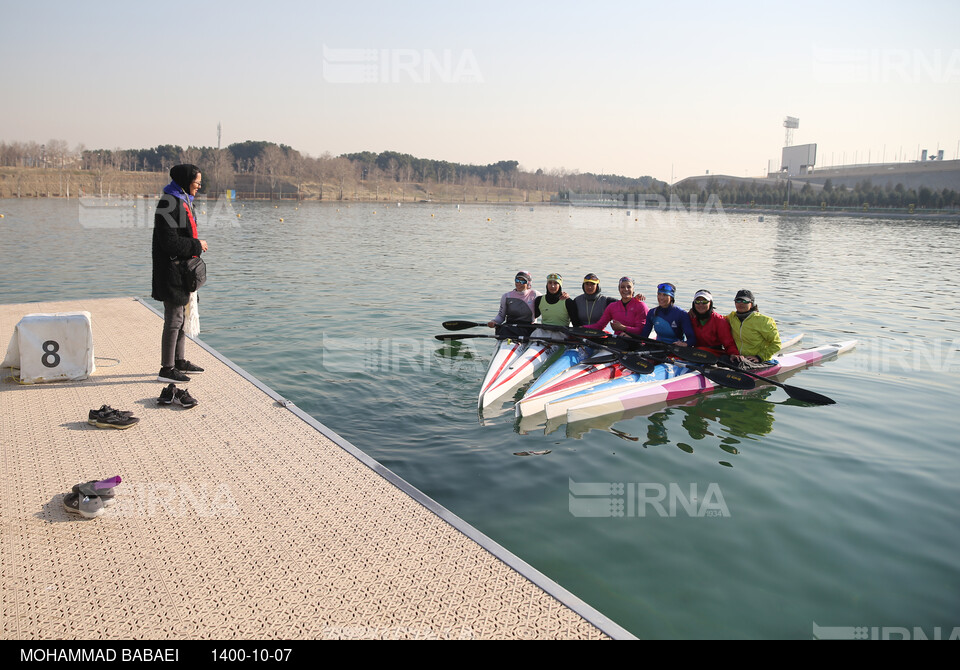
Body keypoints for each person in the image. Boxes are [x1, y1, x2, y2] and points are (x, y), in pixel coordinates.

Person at [152, 164, 208, 383]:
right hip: (171, 272)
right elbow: (168, 242)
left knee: (183, 317)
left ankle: (179, 360)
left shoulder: (182, 201)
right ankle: (167, 369)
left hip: (183, 272)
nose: (199, 187)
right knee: (174, 320)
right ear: (186, 182)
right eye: (196, 183)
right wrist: (196, 245)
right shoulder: (169, 203)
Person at [726, 289, 782, 364]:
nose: (741, 304)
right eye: (738, 301)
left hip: (758, 360)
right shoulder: (731, 317)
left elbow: (776, 344)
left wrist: (759, 357)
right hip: (738, 358)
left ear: (751, 304)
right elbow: (717, 320)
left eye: (745, 301)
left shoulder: (764, 321)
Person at [687, 289, 739, 356]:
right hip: (696, 352)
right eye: (697, 301)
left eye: (704, 301)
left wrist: (734, 354)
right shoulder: (689, 317)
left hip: (714, 353)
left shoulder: (719, 320)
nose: (700, 304)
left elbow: (728, 343)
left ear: (710, 303)